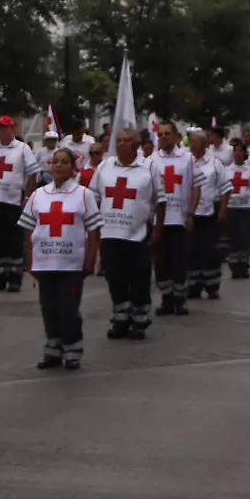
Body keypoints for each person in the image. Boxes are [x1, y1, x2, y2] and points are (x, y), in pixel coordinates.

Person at [22, 147, 102, 370]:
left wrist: (91, 259)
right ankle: (53, 349)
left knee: (68, 308)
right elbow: (28, 230)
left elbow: (94, 230)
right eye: (55, 161)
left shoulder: (84, 195)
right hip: (44, 262)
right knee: (48, 307)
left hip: (71, 264)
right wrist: (29, 259)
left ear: (72, 167)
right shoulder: (39, 195)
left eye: (64, 162)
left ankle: (72, 349)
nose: (58, 165)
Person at [90, 126, 157, 340]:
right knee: (114, 276)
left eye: (127, 140)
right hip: (109, 234)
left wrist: (158, 229)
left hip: (137, 234)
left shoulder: (149, 167)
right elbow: (94, 197)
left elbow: (159, 201)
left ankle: (139, 318)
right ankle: (121, 317)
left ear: (136, 144)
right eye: (118, 140)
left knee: (139, 277)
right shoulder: (105, 166)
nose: (121, 144)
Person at [0, 115, 42, 292]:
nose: (1, 131)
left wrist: (27, 197)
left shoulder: (22, 149)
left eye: (4, 128)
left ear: (12, 129)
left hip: (14, 202)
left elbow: (33, 173)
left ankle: (15, 277)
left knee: (14, 241)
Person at [148, 120, 196, 316]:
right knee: (161, 262)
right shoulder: (151, 160)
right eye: (160, 134)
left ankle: (180, 299)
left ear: (177, 137)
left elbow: (196, 187)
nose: (163, 138)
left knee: (180, 261)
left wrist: (191, 213)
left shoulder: (188, 159)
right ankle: (166, 298)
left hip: (179, 219)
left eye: (167, 134)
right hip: (158, 221)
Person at [187, 130, 225, 301]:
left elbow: (225, 188)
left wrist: (223, 210)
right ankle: (193, 285)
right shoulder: (186, 161)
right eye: (190, 142)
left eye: (194, 141)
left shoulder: (215, 163)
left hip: (209, 212)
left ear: (203, 144)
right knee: (192, 251)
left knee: (209, 252)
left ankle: (211, 285)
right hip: (190, 214)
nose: (191, 145)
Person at [223, 141, 250, 279]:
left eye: (240, 151)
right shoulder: (226, 170)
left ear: (245, 154)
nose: (237, 154)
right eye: (235, 151)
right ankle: (234, 266)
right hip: (231, 207)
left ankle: (244, 265)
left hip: (246, 207)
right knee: (233, 238)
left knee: (244, 237)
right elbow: (224, 192)